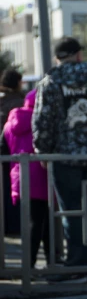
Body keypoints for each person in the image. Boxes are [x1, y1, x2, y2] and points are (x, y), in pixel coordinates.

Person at [32, 36, 87, 284]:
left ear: (58, 57)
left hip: (65, 156)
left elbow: (42, 121)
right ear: (78, 55)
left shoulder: (51, 82)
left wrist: (42, 150)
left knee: (71, 212)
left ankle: (76, 264)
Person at [0, 90, 51, 267]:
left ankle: (30, 264)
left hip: (19, 177)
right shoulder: (44, 121)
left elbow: (3, 150)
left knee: (33, 222)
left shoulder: (9, 123)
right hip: (43, 177)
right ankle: (40, 263)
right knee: (45, 221)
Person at [1, 68, 25, 236]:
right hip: (16, 151)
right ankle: (16, 226)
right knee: (16, 189)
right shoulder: (20, 101)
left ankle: (6, 226)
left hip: (2, 150)